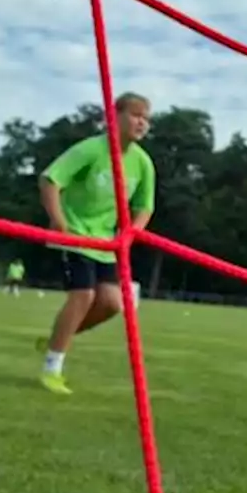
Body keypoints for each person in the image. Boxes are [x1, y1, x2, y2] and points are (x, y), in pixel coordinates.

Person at [35, 93, 156, 396]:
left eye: (147, 117)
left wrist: (131, 234)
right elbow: (50, 180)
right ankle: (52, 368)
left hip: (106, 243)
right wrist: (58, 219)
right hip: (76, 235)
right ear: (115, 116)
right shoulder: (91, 149)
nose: (142, 122)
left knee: (113, 303)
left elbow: (145, 206)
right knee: (83, 296)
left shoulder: (142, 163)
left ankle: (56, 338)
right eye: (135, 114)